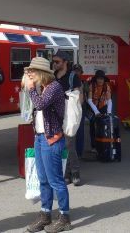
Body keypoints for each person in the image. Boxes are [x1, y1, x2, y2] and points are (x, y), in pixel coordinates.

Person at [24, 57, 71, 233]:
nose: (29, 75)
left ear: (42, 73)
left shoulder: (54, 87)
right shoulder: (43, 88)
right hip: (40, 138)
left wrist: (30, 89)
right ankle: (45, 214)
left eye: (32, 71)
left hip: (51, 139)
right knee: (43, 180)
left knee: (56, 181)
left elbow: (41, 104)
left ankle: (64, 217)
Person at [53, 51, 82, 187]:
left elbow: (79, 97)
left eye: (57, 61)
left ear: (65, 62)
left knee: (69, 144)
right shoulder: (53, 77)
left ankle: (74, 173)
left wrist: (75, 113)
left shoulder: (73, 77)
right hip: (57, 116)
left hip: (69, 116)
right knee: (60, 146)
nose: (55, 64)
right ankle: (66, 173)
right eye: (54, 61)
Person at [87, 70, 113, 152]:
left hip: (103, 107)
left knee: (104, 127)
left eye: (102, 79)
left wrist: (109, 112)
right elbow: (89, 100)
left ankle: (103, 145)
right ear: (96, 79)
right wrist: (96, 111)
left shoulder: (106, 87)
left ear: (104, 79)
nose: (100, 80)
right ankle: (94, 146)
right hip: (93, 108)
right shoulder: (92, 86)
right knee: (92, 128)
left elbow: (109, 100)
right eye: (98, 78)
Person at [72, 64, 87, 160]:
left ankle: (79, 152)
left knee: (80, 131)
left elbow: (86, 97)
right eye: (75, 71)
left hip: (81, 108)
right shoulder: (70, 81)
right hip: (71, 108)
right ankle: (71, 152)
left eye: (78, 71)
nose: (77, 73)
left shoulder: (84, 83)